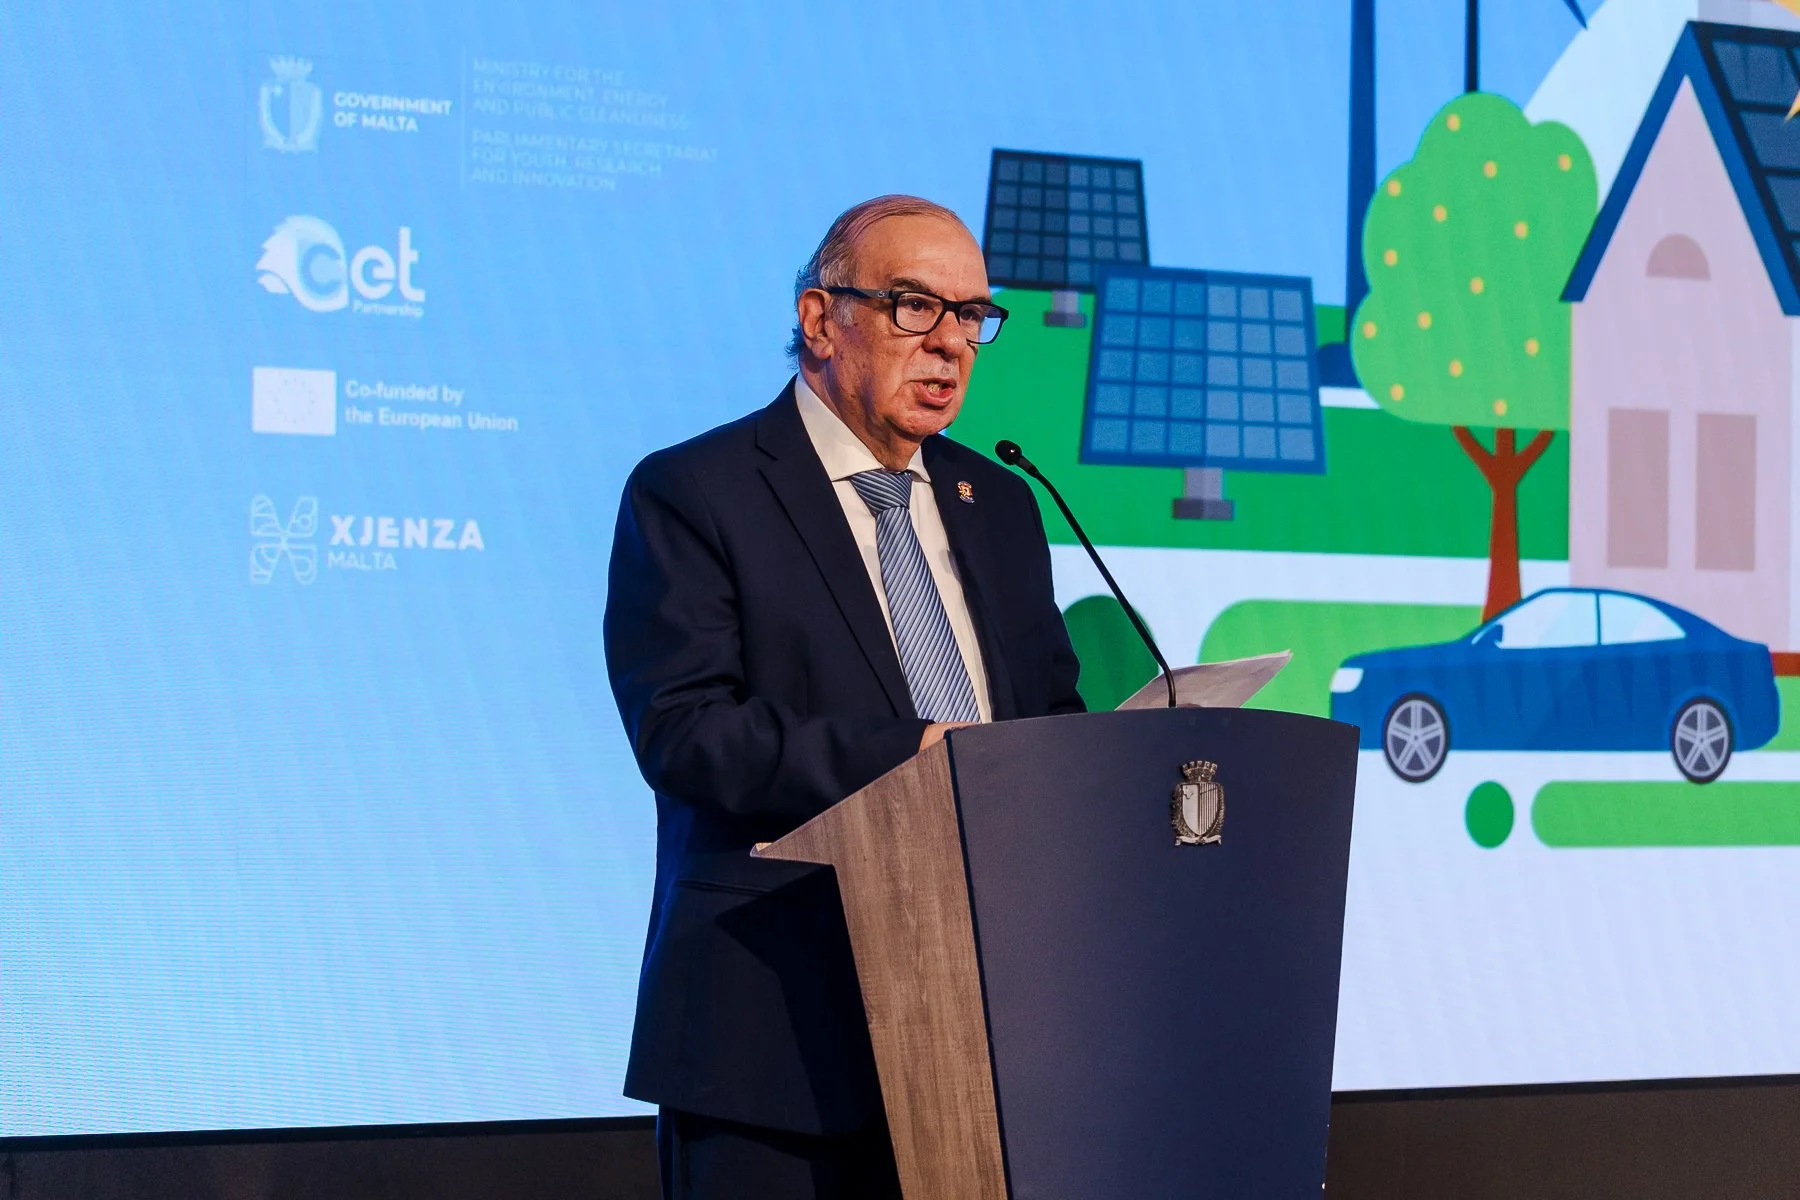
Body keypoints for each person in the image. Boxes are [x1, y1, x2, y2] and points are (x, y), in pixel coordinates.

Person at [604, 194, 1085, 1199]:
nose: (951, 343)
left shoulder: (998, 502)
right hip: (777, 1040)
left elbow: (1048, 716)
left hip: (985, 1032)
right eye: (916, 306)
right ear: (820, 320)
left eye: (973, 315)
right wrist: (919, 758)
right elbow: (686, 731)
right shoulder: (696, 491)